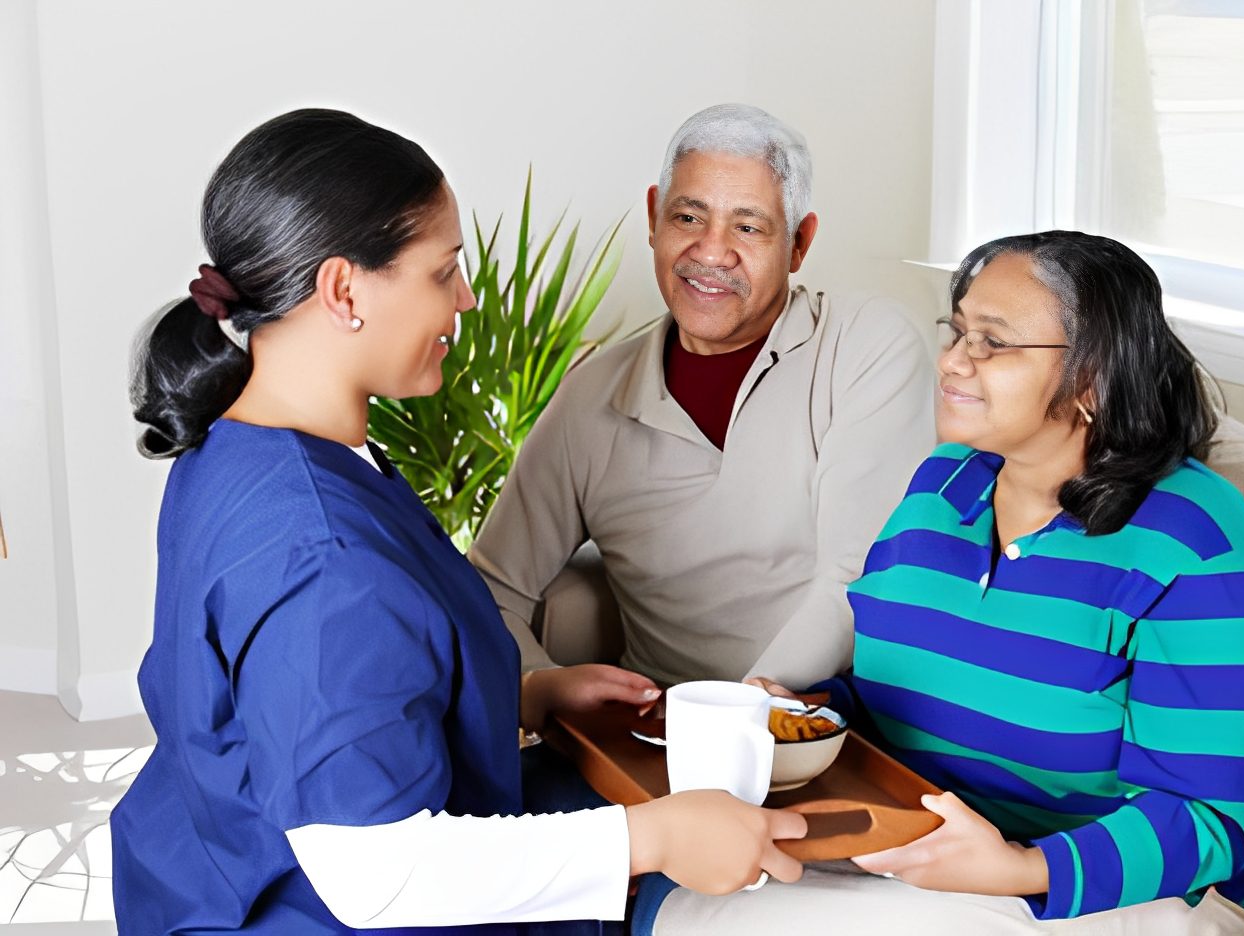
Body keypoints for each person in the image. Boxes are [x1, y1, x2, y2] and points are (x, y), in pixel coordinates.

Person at [112, 108, 805, 935]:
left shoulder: (242, 444)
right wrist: (651, 836)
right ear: (343, 290)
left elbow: (290, 701)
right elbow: (375, 872)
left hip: (202, 866)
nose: (467, 300)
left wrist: (515, 696)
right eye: (444, 272)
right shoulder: (320, 551)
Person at [661, 232, 1244, 934]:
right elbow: (908, 678)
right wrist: (807, 718)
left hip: (1145, 888)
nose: (953, 362)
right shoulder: (947, 482)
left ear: (1091, 379)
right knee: (682, 877)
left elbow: (1206, 821)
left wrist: (1019, 872)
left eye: (992, 342)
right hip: (939, 837)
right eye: (957, 331)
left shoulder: (1201, 550)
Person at [470, 103, 936, 692]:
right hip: (654, 735)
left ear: (799, 243)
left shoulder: (865, 344)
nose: (711, 253)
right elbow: (490, 588)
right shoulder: (592, 397)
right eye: (689, 217)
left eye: (747, 227)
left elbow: (857, 578)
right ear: (653, 218)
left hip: (830, 721)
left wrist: (740, 714)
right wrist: (539, 687)